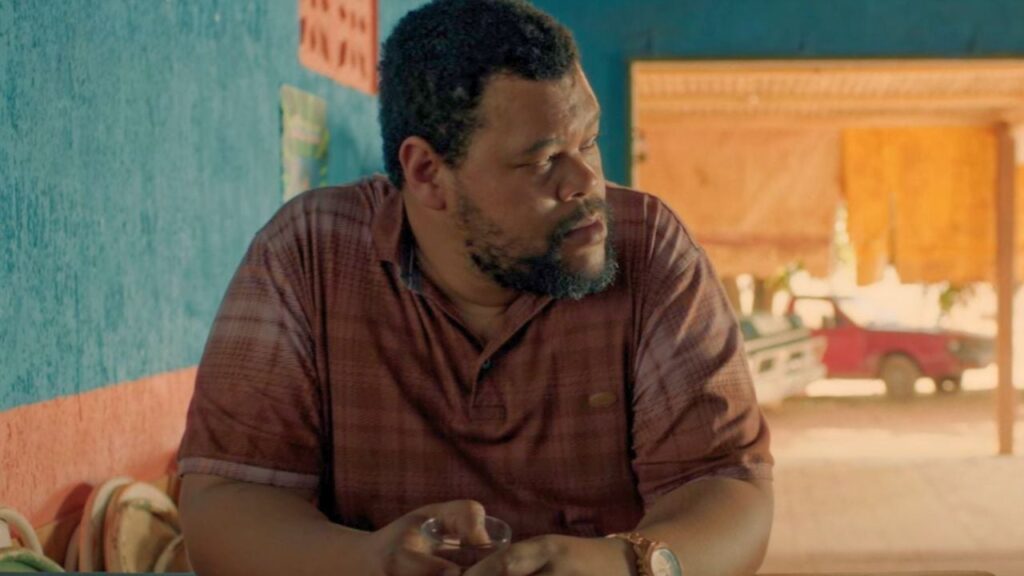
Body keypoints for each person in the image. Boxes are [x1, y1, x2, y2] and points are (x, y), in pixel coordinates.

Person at [176, 1, 773, 575]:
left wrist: (623, 564)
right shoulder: (308, 253)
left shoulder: (650, 248)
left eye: (588, 141)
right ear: (428, 173)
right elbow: (225, 500)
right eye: (544, 160)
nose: (586, 182)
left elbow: (729, 490)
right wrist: (366, 562)